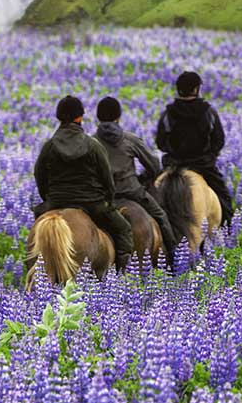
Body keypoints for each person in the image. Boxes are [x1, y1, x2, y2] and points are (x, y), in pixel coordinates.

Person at [33, 96, 135, 271]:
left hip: (57, 200)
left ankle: (33, 270)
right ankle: (121, 276)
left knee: (37, 228)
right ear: (79, 118)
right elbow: (107, 179)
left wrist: (49, 199)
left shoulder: (49, 146)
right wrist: (108, 200)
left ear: (59, 117)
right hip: (91, 203)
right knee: (124, 230)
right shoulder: (92, 145)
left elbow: (39, 175)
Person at [95, 96, 178, 261]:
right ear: (118, 117)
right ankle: (173, 260)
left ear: (98, 117)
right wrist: (142, 178)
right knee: (161, 217)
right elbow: (154, 165)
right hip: (132, 193)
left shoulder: (91, 142)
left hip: (102, 198)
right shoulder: (130, 139)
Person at [156, 71, 233, 226]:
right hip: (203, 165)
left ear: (178, 90)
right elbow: (219, 140)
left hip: (173, 165)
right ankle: (228, 230)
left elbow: (161, 142)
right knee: (224, 200)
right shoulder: (208, 112)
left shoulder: (168, 113)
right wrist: (210, 155)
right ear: (197, 89)